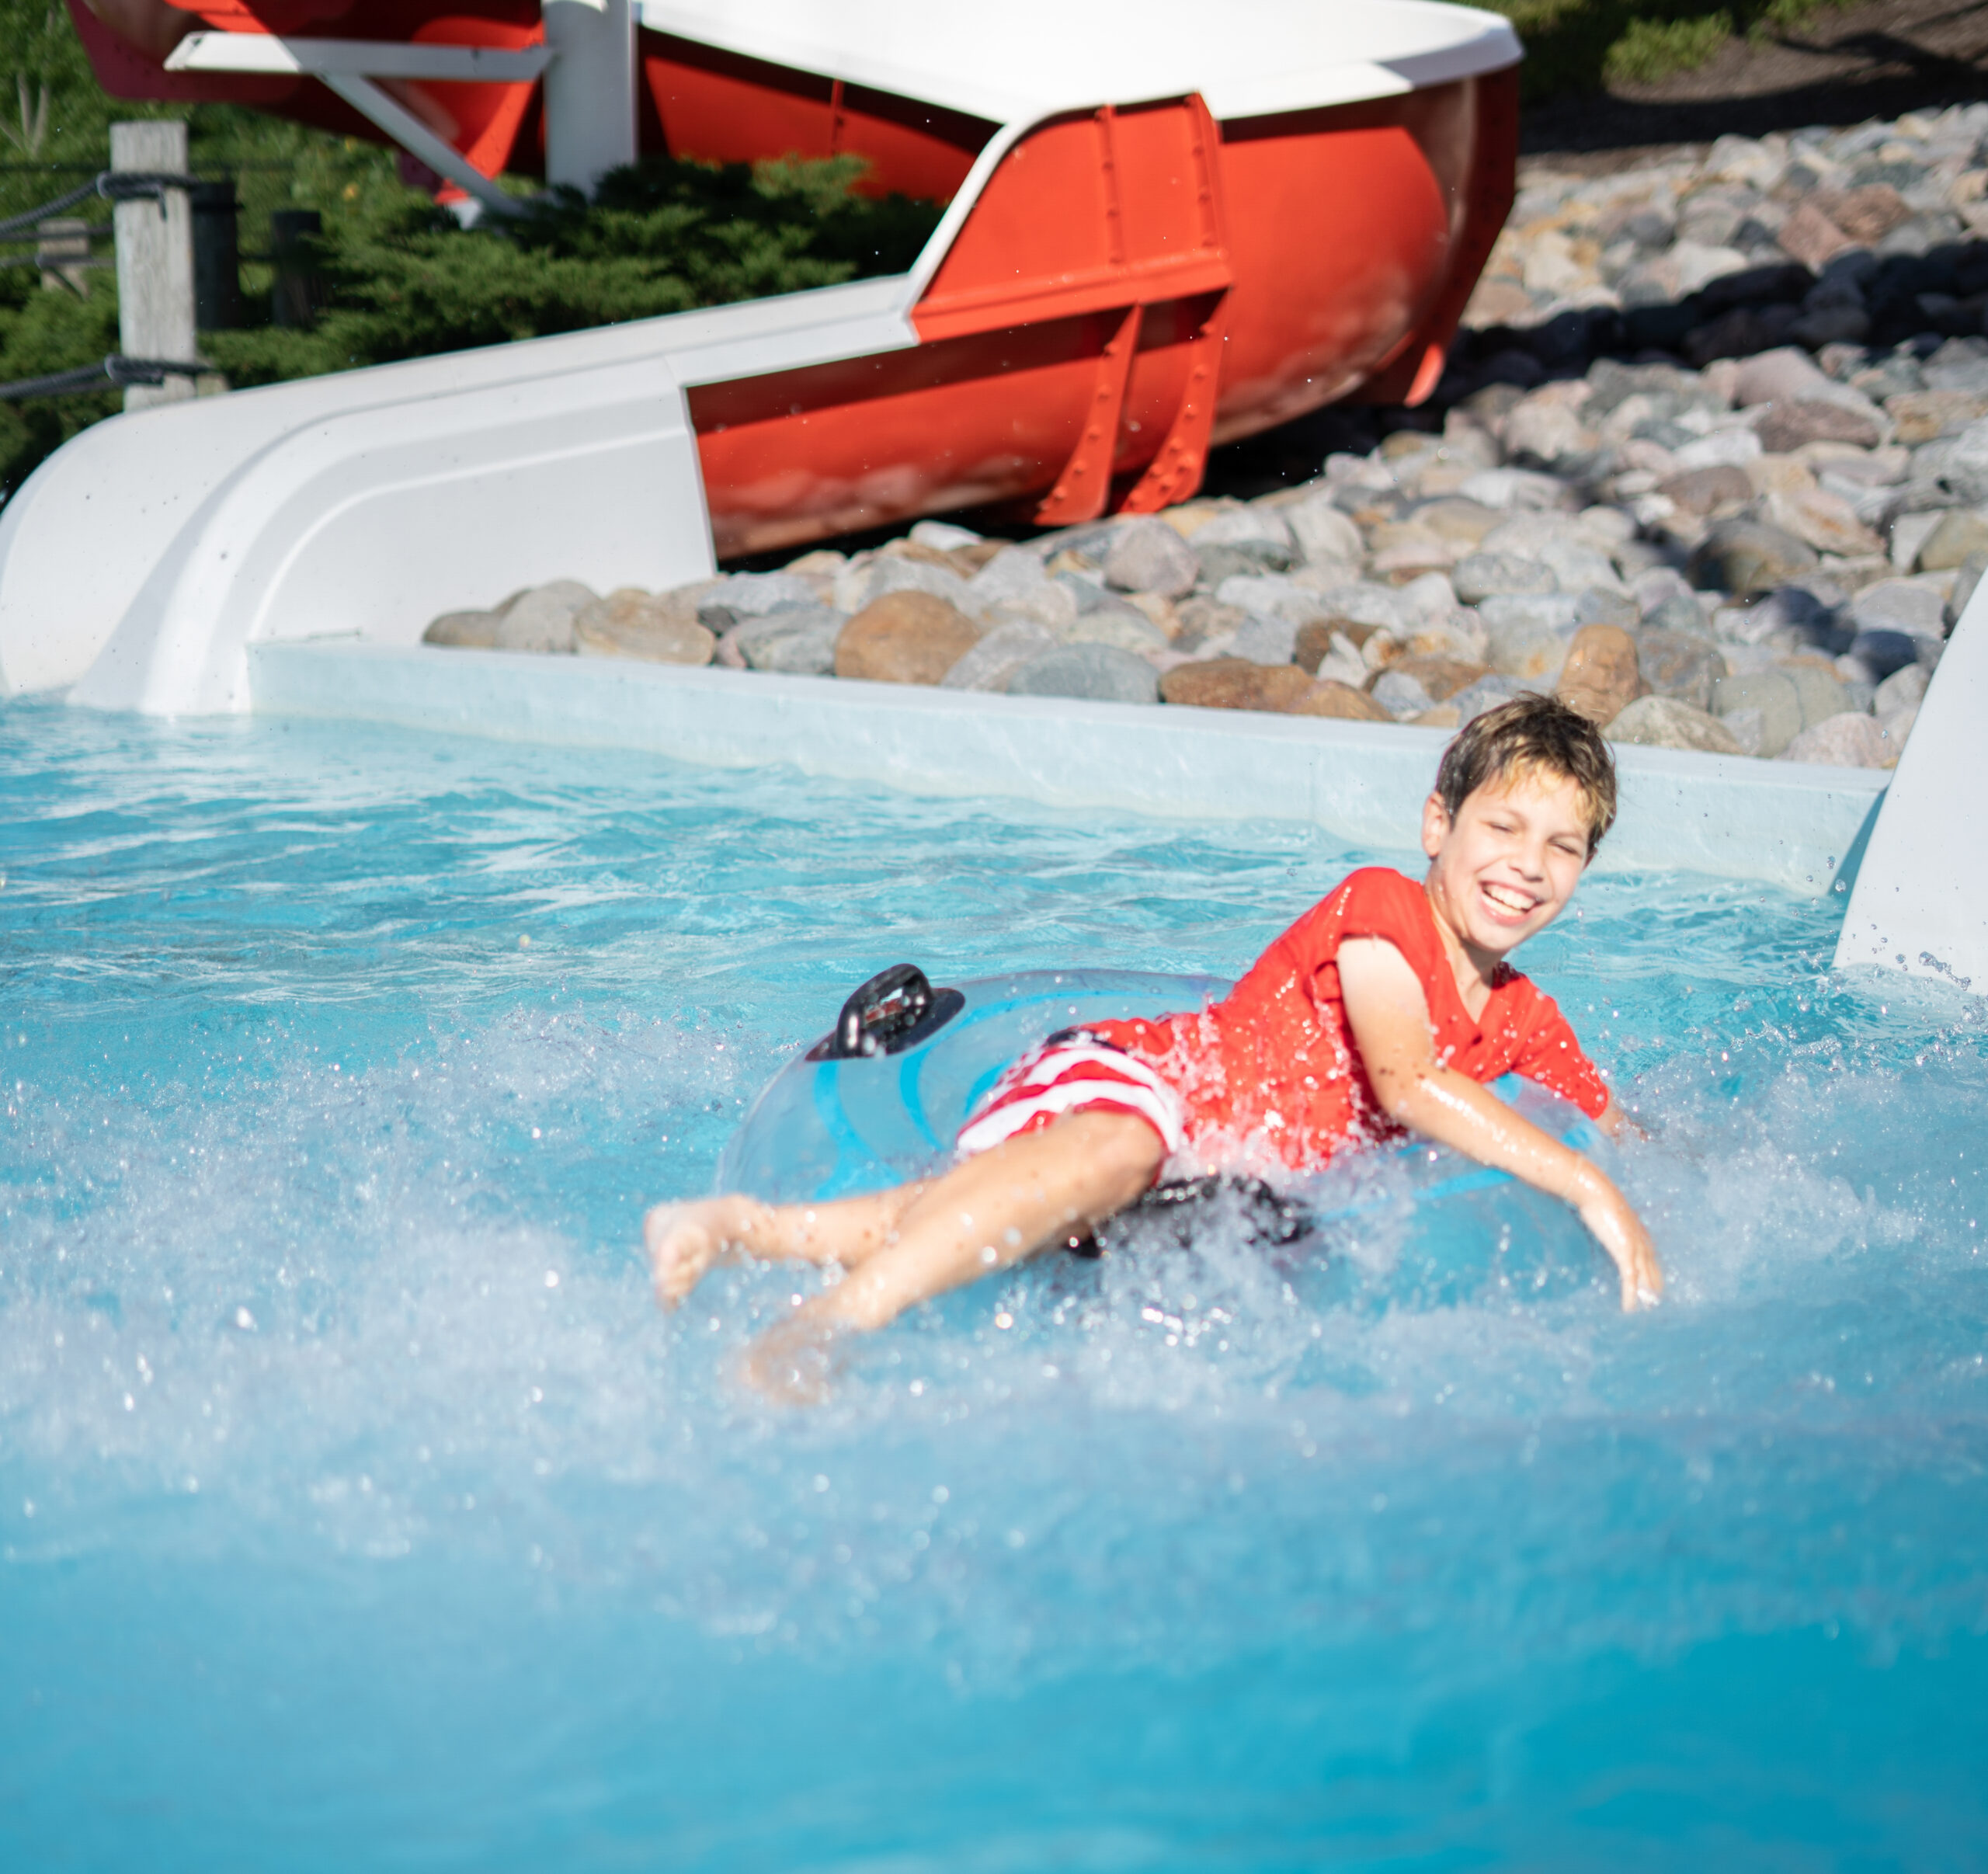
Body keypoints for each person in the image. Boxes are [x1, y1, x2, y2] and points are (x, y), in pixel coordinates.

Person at [648, 695, 1663, 1399]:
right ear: (1439, 823)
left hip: (1205, 1164)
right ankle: (819, 1331)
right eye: (1505, 826)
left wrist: (1666, 1162)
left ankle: (741, 1225)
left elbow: (1621, 1124)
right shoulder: (1384, 909)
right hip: (1144, 1081)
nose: (1528, 865)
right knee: (1112, 1157)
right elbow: (1408, 1082)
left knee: (1014, 1212)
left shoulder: (1526, 1016)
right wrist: (1587, 1186)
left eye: (1563, 845)